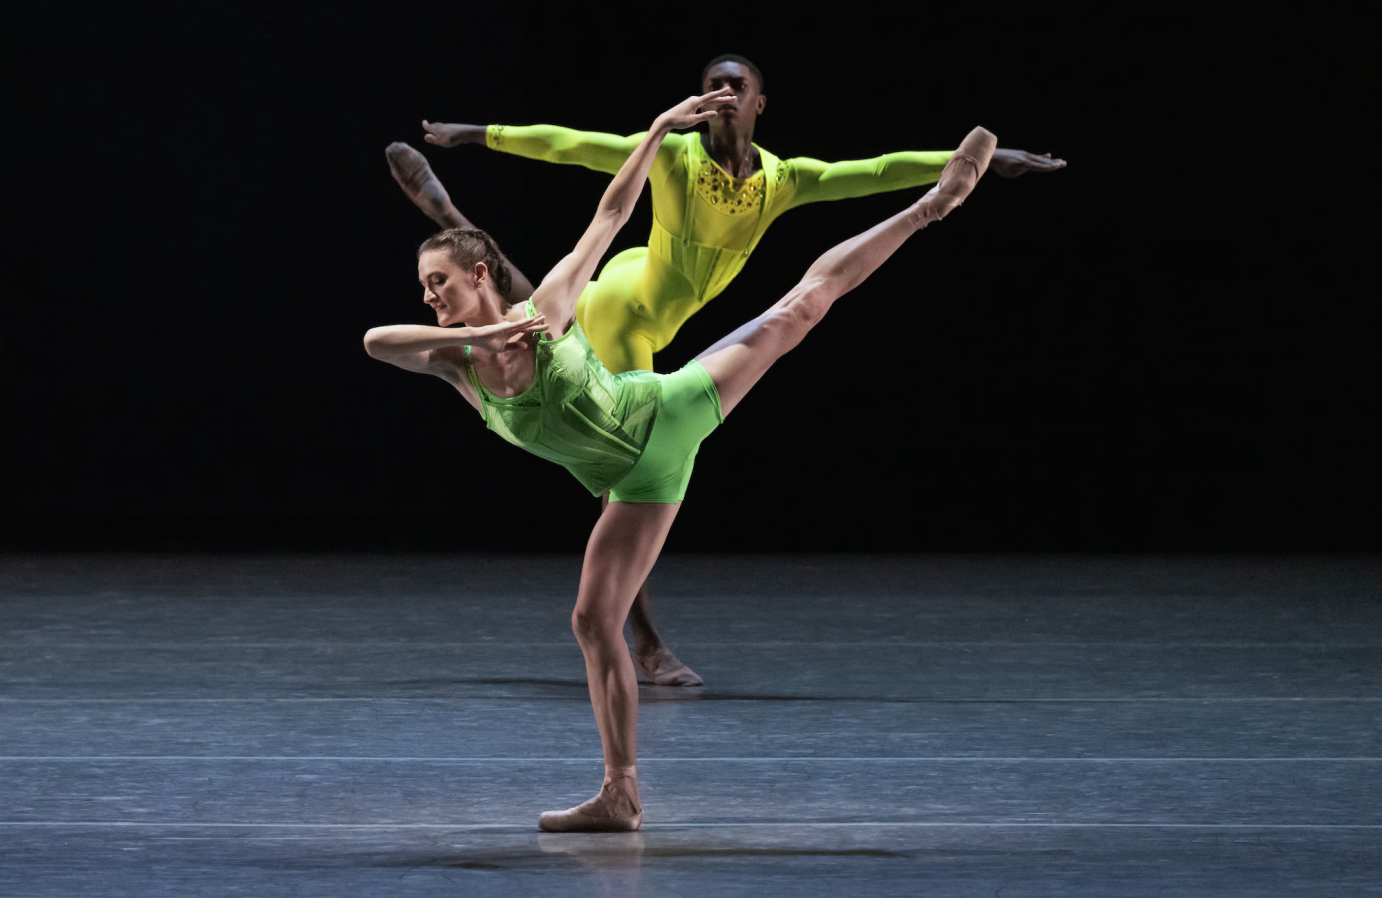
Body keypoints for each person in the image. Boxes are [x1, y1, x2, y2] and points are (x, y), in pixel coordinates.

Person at [365, 87, 999, 831]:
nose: (428, 297)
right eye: (423, 287)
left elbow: (611, 214)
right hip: (638, 483)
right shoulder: (458, 365)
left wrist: (661, 128)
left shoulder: (551, 308)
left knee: (799, 308)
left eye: (438, 282)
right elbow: (377, 342)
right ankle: (622, 794)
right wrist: (475, 339)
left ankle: (932, 206)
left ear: (480, 276)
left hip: (667, 411)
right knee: (593, 622)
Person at [385, 56, 1062, 688]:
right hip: (625, 313)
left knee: (533, 326)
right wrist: (477, 133)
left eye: (738, 84)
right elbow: (575, 147)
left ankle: (452, 221)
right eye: (714, 83)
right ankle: (645, 641)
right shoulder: (675, 155)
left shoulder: (783, 180)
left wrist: (976, 159)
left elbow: (877, 169)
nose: (725, 92)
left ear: (760, 102)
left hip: (646, 306)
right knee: (604, 446)